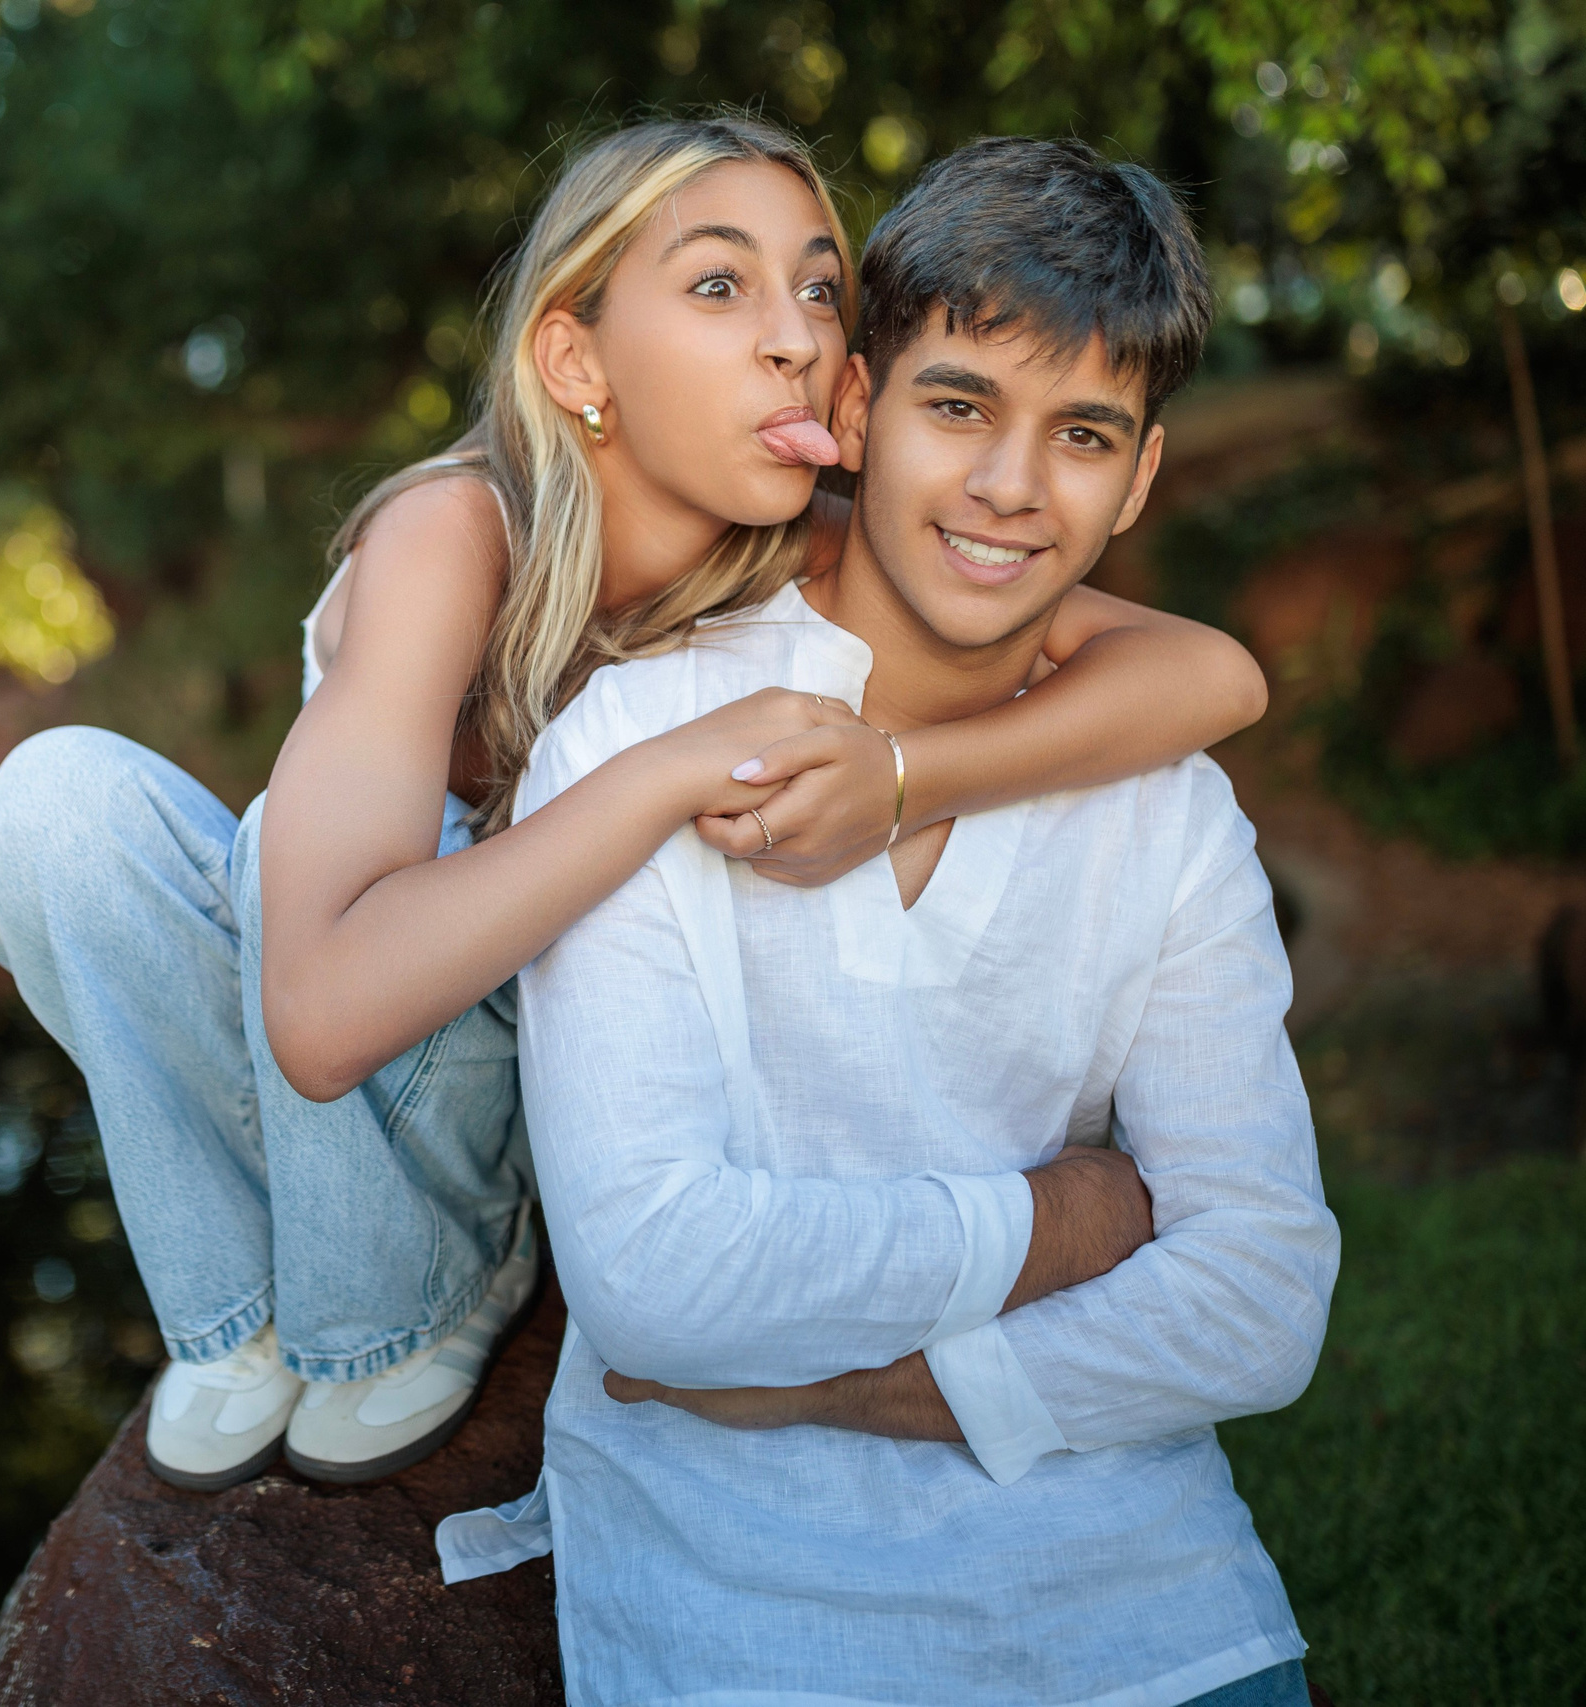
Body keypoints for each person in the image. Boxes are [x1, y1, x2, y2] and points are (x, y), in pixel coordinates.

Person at [0, 112, 1270, 1494]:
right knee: (61, 806)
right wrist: (656, 777)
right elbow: (322, 1011)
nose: (795, 338)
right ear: (577, 361)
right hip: (361, 1031)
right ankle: (240, 1319)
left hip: (516, 1083)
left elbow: (1209, 674)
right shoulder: (458, 536)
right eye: (718, 286)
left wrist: (902, 782)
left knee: (308, 866)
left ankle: (417, 1307)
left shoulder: (819, 544)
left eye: (819, 288)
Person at [437, 137, 1342, 1707]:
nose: (1009, 487)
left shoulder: (1169, 808)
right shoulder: (642, 747)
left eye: (1081, 435)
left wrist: (828, 1385)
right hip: (751, 1619)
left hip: (1147, 1607)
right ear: (854, 410)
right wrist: (1062, 1225)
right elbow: (655, 1279)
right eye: (959, 408)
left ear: (1138, 480)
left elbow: (1263, 1298)